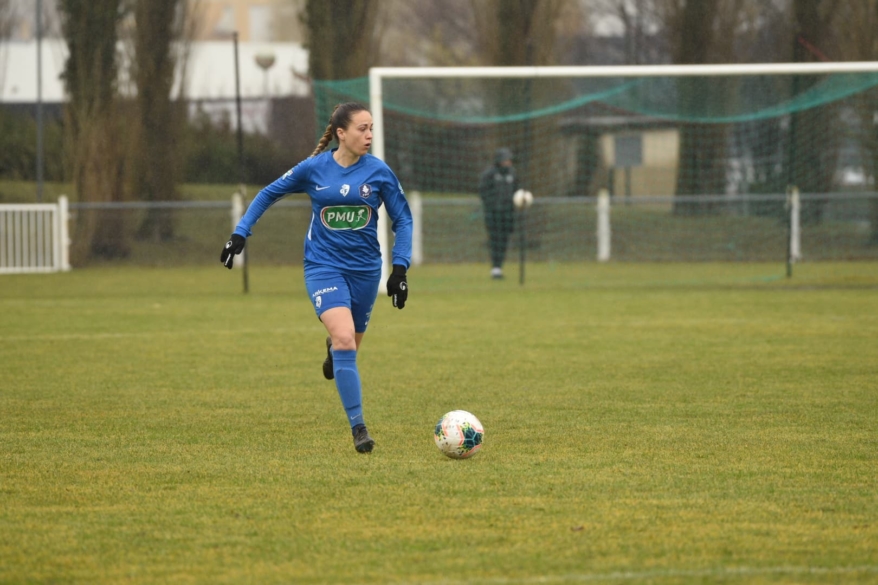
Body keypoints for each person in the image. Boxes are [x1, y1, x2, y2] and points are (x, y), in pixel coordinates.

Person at [220, 102, 412, 455]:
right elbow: (267, 194)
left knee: (349, 346)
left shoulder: (380, 173)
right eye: (362, 129)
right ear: (341, 133)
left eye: (371, 128)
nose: (369, 135)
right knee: (344, 340)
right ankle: (359, 429)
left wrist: (399, 269)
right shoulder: (313, 168)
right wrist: (240, 233)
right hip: (323, 266)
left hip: (366, 271)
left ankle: (333, 348)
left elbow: (404, 220)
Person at [478, 147, 520, 279]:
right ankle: (495, 268)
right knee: (495, 239)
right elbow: (483, 192)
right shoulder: (489, 174)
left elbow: (517, 191)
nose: (508, 162)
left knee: (504, 240)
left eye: (509, 160)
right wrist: (493, 205)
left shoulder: (512, 174)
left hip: (508, 214)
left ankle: (499, 267)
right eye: (505, 160)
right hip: (493, 214)